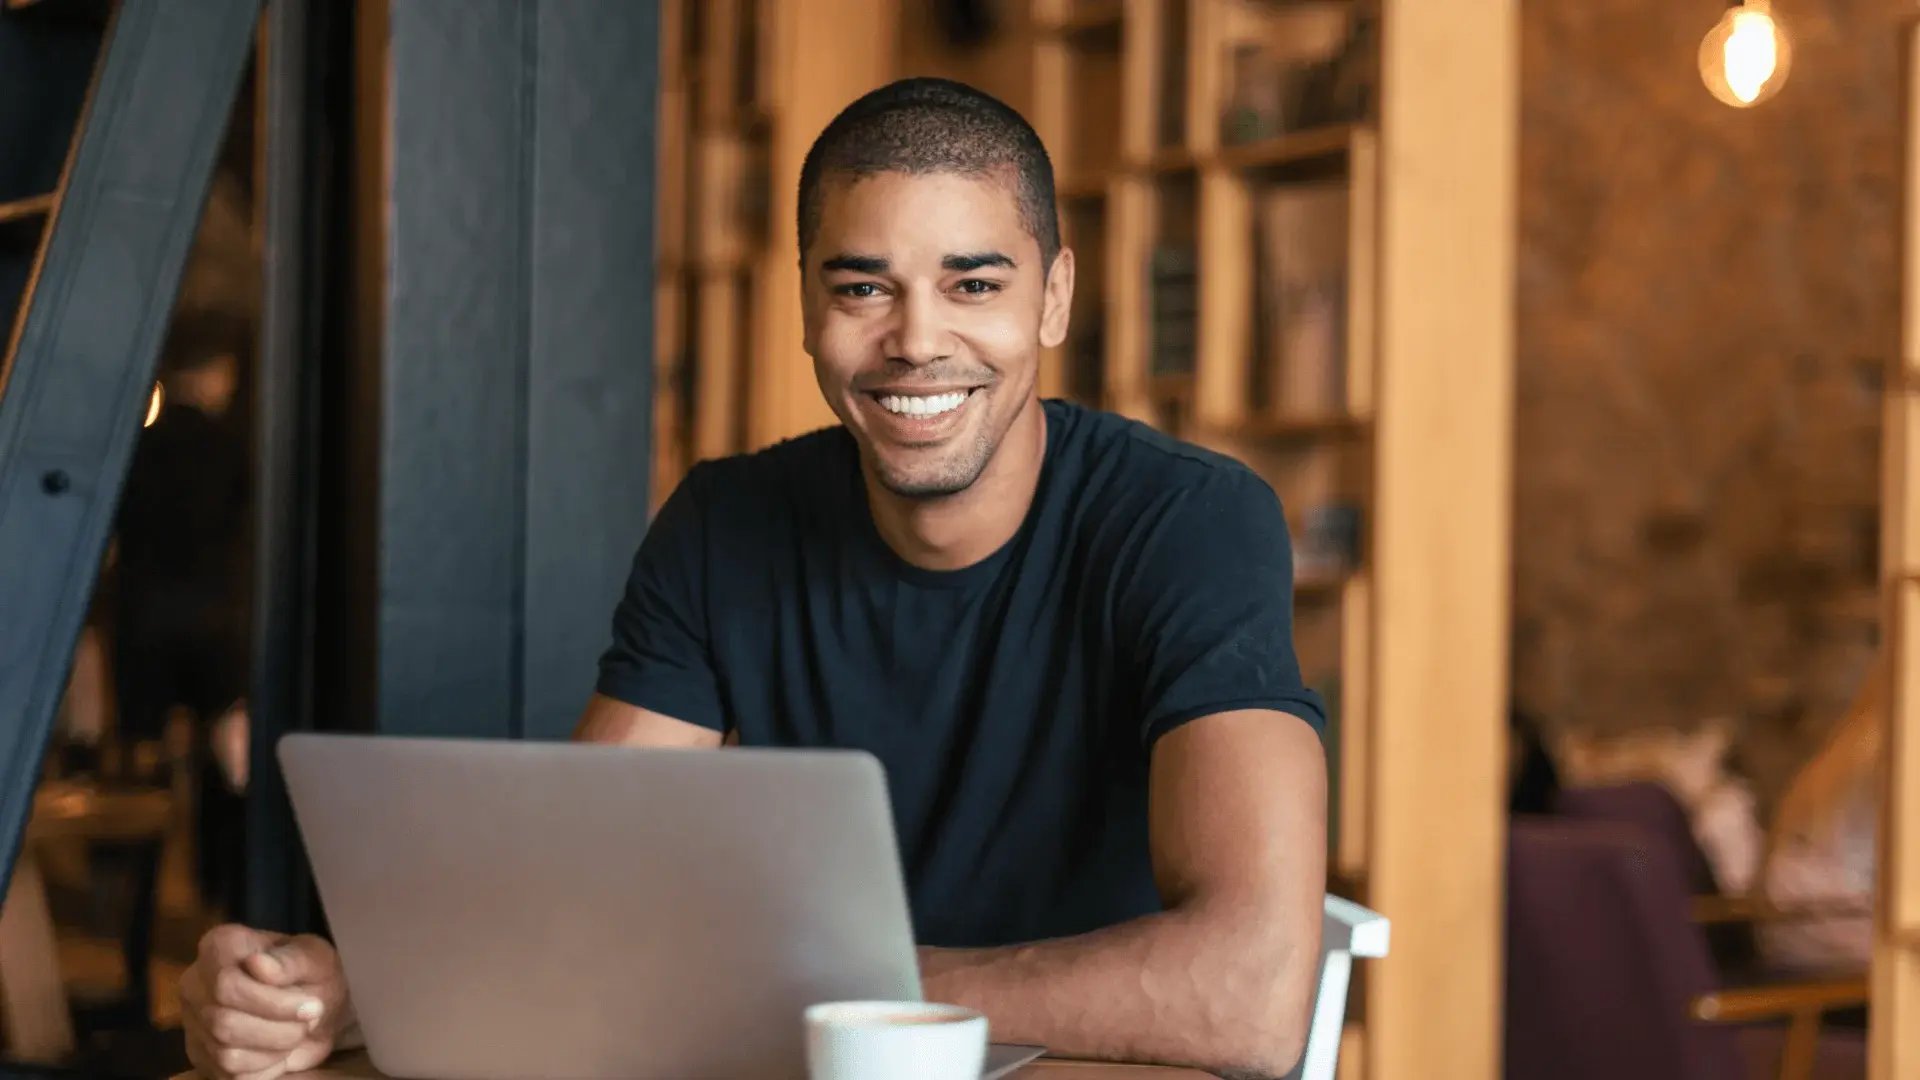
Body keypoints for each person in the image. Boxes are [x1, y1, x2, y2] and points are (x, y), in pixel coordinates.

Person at [179, 78, 1327, 1080]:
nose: (917, 341)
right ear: (807, 308)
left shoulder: (1190, 520)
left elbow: (1254, 995)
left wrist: (843, 994)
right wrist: (339, 991)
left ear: (1055, 298)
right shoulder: (726, 524)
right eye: (863, 287)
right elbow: (573, 893)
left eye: (973, 284)